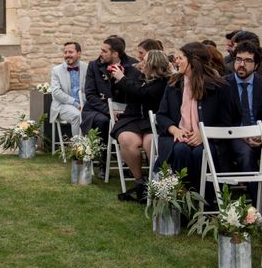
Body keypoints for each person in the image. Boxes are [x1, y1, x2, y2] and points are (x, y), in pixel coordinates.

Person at [156, 42, 233, 194]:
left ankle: (204, 201)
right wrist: (175, 130)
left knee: (200, 152)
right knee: (181, 150)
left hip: (210, 139)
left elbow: (225, 122)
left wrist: (203, 135)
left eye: (180, 58)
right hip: (178, 137)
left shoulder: (219, 87)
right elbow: (162, 115)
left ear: (194, 60)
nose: (176, 61)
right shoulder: (173, 84)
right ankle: (181, 200)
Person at [111, 50, 171, 201]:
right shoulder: (138, 77)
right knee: (125, 139)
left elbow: (143, 93)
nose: (141, 63)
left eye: (145, 61)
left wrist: (122, 79)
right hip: (134, 119)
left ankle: (157, 184)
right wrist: (118, 79)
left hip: (155, 122)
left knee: (150, 143)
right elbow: (125, 92)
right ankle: (140, 182)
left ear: (153, 65)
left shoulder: (164, 83)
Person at [81, 36, 139, 179]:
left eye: (104, 51)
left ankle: (129, 163)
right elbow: (90, 94)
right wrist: (108, 110)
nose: (101, 53)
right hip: (99, 108)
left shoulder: (133, 65)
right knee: (102, 121)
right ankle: (103, 162)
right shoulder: (94, 66)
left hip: (125, 109)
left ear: (115, 54)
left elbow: (135, 91)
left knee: (129, 122)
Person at [225, 41, 262, 202]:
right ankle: (258, 206)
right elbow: (220, 118)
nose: (241, 64)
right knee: (246, 153)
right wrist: (243, 135)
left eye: (248, 61)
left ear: (257, 65)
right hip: (234, 135)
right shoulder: (223, 85)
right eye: (239, 59)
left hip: (259, 132)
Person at [49, 41, 87, 138]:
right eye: (65, 52)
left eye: (70, 52)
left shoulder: (86, 68)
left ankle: (93, 146)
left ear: (79, 53)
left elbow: (89, 89)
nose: (67, 55)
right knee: (77, 116)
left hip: (85, 104)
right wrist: (75, 104)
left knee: (98, 116)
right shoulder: (56, 70)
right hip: (63, 105)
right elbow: (56, 92)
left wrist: (84, 104)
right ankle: (79, 148)